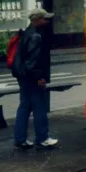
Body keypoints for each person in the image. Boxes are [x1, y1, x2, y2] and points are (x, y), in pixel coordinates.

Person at [13, 8, 58, 150]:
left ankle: (20, 139)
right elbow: (33, 60)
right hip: (32, 77)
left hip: (23, 75)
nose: (47, 21)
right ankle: (42, 138)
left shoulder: (27, 33)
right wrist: (40, 77)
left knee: (24, 107)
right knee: (39, 107)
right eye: (44, 18)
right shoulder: (36, 37)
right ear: (37, 20)